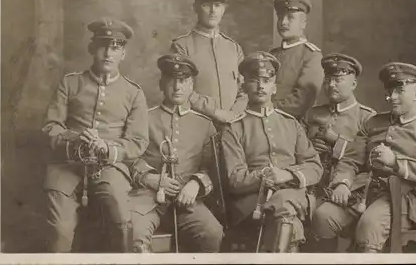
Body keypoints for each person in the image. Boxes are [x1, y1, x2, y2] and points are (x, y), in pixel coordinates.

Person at [312, 62, 416, 252]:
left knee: (369, 227)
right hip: (364, 192)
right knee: (323, 217)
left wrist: (396, 164)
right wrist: (343, 183)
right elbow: (351, 159)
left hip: (407, 200)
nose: (392, 98)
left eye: (400, 91)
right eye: (389, 92)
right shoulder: (374, 123)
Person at [41, 18, 149, 252]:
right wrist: (75, 140)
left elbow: (138, 142)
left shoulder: (134, 93)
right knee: (59, 231)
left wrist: (107, 148)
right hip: (66, 167)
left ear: (124, 53)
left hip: (109, 167)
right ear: (92, 49)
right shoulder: (70, 83)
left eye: (116, 47)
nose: (108, 53)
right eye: (103, 45)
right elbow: (51, 127)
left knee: (121, 218)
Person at [222, 51, 323, 252]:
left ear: (274, 87)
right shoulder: (233, 129)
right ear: (244, 86)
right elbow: (235, 179)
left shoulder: (291, 124)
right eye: (254, 81)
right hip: (252, 204)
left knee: (285, 203)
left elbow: (315, 167)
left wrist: (286, 175)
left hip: (293, 195)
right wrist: (265, 176)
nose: (261, 86)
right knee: (287, 214)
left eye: (266, 81)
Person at [128, 54, 223, 253]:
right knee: (134, 235)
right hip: (147, 197)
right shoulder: (144, 118)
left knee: (213, 234)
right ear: (161, 83)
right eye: (172, 80)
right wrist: (150, 178)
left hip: (186, 199)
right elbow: (130, 156)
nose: (177, 87)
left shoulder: (205, 124)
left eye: (183, 80)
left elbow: (212, 166)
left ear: (191, 85)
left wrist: (196, 184)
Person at [301, 53, 376, 252]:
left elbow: (369, 161)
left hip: (348, 190)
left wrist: (337, 144)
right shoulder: (313, 114)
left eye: (339, 79)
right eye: (328, 79)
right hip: (311, 184)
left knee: (321, 217)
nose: (332, 85)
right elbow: (295, 147)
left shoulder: (367, 118)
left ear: (353, 84)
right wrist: (309, 147)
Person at [169, 0, 247, 125]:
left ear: (224, 8)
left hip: (233, 125)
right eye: (207, 5)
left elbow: (244, 90)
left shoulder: (234, 48)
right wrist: (216, 113)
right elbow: (180, 90)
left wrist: (233, 114)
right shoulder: (182, 46)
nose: (213, 11)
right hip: (196, 126)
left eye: (217, 5)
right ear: (196, 7)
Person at [270, 0, 324, 121]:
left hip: (291, 124)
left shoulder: (311, 55)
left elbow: (301, 102)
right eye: (280, 17)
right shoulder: (272, 55)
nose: (283, 22)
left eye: (290, 17)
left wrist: (266, 109)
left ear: (303, 23)